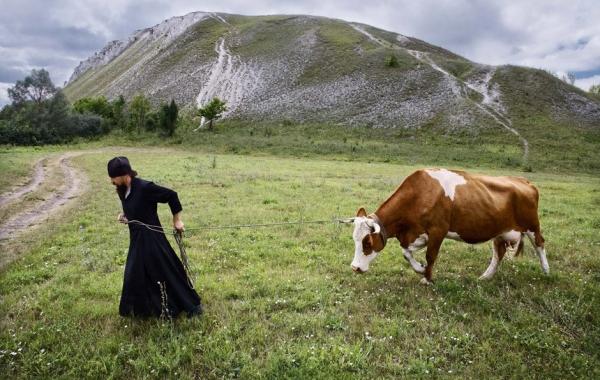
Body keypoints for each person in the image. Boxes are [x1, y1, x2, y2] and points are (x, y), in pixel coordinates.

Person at [108, 156, 202, 318]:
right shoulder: (123, 190)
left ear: (123, 174)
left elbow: (172, 195)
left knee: (165, 270)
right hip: (137, 240)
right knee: (136, 273)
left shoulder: (144, 187)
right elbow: (136, 210)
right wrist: (126, 216)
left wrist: (177, 220)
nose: (111, 181)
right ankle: (147, 307)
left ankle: (190, 305)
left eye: (113, 177)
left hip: (153, 240)